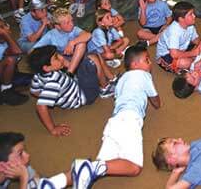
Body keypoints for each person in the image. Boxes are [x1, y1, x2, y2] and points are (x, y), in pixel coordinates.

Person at [68, 42, 161, 189]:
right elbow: (155, 101)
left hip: (114, 122)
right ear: (136, 64)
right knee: (135, 167)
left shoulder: (122, 79)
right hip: (129, 120)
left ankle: (77, 175)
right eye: (147, 60)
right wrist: (157, 103)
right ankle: (84, 168)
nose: (150, 64)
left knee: (101, 165)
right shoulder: (144, 75)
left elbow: (117, 96)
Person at [33, 8, 116, 90]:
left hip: (79, 57)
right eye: (67, 23)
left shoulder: (74, 29)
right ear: (57, 26)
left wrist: (72, 42)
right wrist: (54, 54)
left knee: (90, 51)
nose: (71, 24)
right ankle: (103, 87)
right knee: (92, 55)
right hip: (65, 62)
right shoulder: (50, 35)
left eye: (72, 21)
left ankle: (111, 78)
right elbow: (33, 51)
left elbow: (88, 35)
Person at [28, 45, 102, 137]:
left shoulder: (38, 75)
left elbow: (34, 91)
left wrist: (52, 97)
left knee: (81, 58)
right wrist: (52, 129)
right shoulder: (53, 82)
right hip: (85, 95)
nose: (61, 57)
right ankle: (104, 87)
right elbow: (40, 107)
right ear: (46, 68)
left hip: (74, 85)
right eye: (56, 57)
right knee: (92, 58)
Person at [155, 1, 201, 73]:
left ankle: (194, 63)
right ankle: (193, 64)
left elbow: (195, 39)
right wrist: (193, 53)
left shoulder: (190, 25)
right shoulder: (174, 31)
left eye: (193, 13)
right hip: (166, 54)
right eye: (191, 14)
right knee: (186, 63)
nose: (194, 16)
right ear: (181, 19)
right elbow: (174, 54)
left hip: (182, 49)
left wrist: (200, 43)